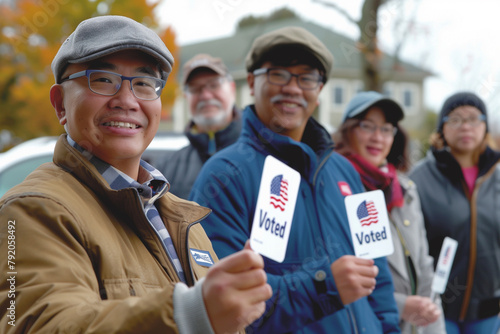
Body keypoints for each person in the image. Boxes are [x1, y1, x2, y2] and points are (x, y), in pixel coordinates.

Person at [0, 15, 272, 334]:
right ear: (60, 104)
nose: (127, 101)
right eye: (102, 79)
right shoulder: (31, 211)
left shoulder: (183, 219)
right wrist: (189, 314)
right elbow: (40, 325)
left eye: (143, 84)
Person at [190, 26, 400, 333]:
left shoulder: (345, 172)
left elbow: (377, 273)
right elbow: (225, 303)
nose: (292, 88)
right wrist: (323, 287)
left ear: (319, 90)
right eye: (278, 74)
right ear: (251, 82)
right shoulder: (225, 175)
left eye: (306, 77)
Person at [333, 91, 446, 333]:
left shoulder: (405, 190)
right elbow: (334, 276)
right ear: (348, 130)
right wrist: (402, 305)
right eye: (367, 126)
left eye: (386, 129)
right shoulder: (333, 188)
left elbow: (424, 264)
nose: (378, 137)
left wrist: (434, 324)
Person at [409, 92, 500, 334]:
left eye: (473, 118)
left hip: (489, 310)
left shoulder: (497, 176)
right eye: (456, 119)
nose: (466, 126)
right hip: (436, 308)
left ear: (484, 126)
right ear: (442, 129)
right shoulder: (418, 179)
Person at [157, 53, 241, 199]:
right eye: (195, 88)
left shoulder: (262, 154)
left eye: (214, 85)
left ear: (232, 89)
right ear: (186, 97)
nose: (206, 95)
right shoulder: (165, 170)